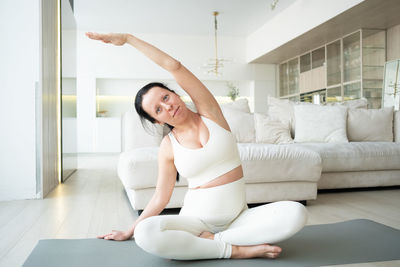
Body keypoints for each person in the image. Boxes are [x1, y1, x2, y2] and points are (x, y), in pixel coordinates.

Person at [86, 32, 308, 260]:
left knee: (296, 213)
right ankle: (234, 249)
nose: (168, 107)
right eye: (158, 110)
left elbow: (174, 66)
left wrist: (128, 39)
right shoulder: (168, 146)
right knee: (145, 233)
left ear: (175, 94)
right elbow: (160, 198)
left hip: (239, 217)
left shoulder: (211, 113)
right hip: (194, 222)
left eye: (165, 97)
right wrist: (129, 231)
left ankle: (213, 243)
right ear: (157, 121)